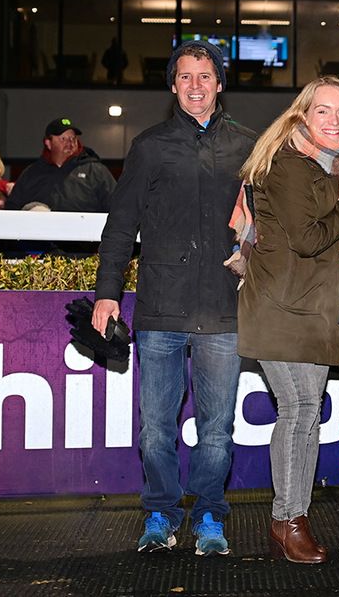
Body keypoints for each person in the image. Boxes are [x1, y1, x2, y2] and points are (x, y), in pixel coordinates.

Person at [92, 40, 256, 556]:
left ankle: (209, 514)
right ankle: (160, 514)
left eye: (204, 76)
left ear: (219, 83)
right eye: (185, 77)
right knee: (157, 428)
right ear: (173, 85)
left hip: (224, 312)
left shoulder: (250, 147)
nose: (195, 86)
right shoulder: (148, 146)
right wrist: (106, 294)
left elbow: (268, 226)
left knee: (216, 431)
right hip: (160, 310)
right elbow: (120, 227)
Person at [236, 77, 339, 563]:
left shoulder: (328, 165)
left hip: (311, 309)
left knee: (307, 414)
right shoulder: (289, 164)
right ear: (303, 114)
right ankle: (288, 520)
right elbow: (309, 238)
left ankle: (292, 518)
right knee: (300, 409)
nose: (334, 120)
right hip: (279, 309)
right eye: (323, 111)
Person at [5, 117, 115, 213]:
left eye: (73, 139)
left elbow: (116, 206)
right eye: (63, 139)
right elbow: (12, 209)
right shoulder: (31, 174)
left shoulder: (95, 171)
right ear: (48, 143)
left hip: (83, 236)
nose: (70, 143)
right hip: (42, 235)